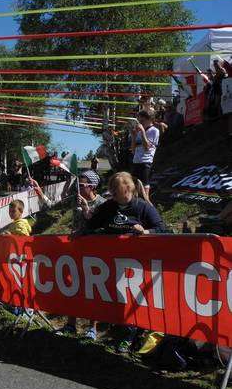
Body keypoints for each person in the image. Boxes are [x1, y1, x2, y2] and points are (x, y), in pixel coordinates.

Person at [85, 172, 165, 352]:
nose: (114, 194)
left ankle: (130, 337)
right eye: (112, 191)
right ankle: (119, 333)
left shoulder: (142, 207)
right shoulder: (108, 206)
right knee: (117, 299)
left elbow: (162, 228)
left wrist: (145, 232)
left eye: (118, 191)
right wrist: (83, 232)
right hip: (111, 264)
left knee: (132, 300)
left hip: (137, 266)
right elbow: (91, 225)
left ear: (129, 189)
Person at [56, 170, 106, 340]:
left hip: (94, 253)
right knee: (72, 286)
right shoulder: (75, 200)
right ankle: (71, 324)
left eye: (82, 185)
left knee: (92, 290)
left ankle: (92, 328)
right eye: (77, 184)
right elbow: (54, 205)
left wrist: (86, 208)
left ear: (92, 186)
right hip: (75, 249)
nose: (78, 188)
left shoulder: (102, 203)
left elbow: (100, 226)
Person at [130, 108, 159, 199]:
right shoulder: (139, 132)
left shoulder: (154, 130)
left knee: (145, 189)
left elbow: (147, 148)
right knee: (134, 188)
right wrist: (134, 136)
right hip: (136, 161)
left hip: (146, 162)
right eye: (139, 120)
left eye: (142, 120)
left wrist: (142, 132)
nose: (140, 123)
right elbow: (133, 150)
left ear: (150, 119)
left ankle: (147, 207)